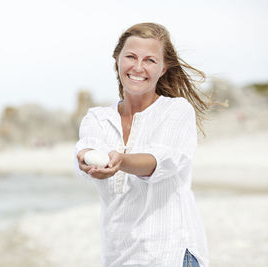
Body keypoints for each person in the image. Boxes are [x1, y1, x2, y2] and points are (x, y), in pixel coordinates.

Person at [75, 23, 209, 267]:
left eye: (149, 60)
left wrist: (121, 161)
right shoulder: (97, 118)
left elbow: (163, 161)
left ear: (163, 68)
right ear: (117, 59)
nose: (138, 67)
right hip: (119, 257)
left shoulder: (176, 111)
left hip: (171, 254)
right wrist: (84, 158)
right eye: (131, 57)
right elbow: (86, 148)